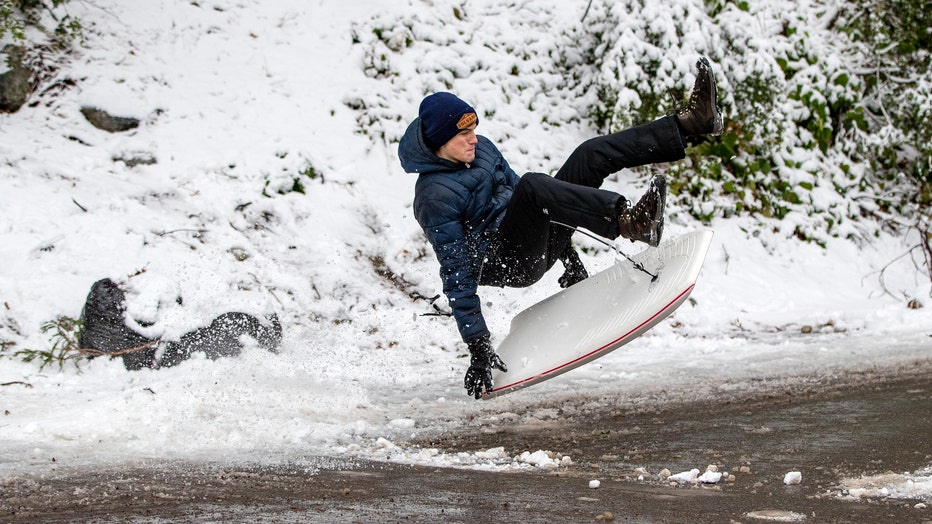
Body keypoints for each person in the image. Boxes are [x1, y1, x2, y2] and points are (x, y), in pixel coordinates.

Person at [398, 57, 724, 399]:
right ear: (439, 143)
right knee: (533, 184)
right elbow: (456, 275)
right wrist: (479, 348)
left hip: (531, 237)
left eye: (474, 129)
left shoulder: (482, 151)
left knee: (589, 154)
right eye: (463, 134)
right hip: (508, 262)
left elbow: (531, 203)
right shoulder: (434, 198)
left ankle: (690, 124)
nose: (473, 139)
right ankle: (629, 222)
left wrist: (567, 256)